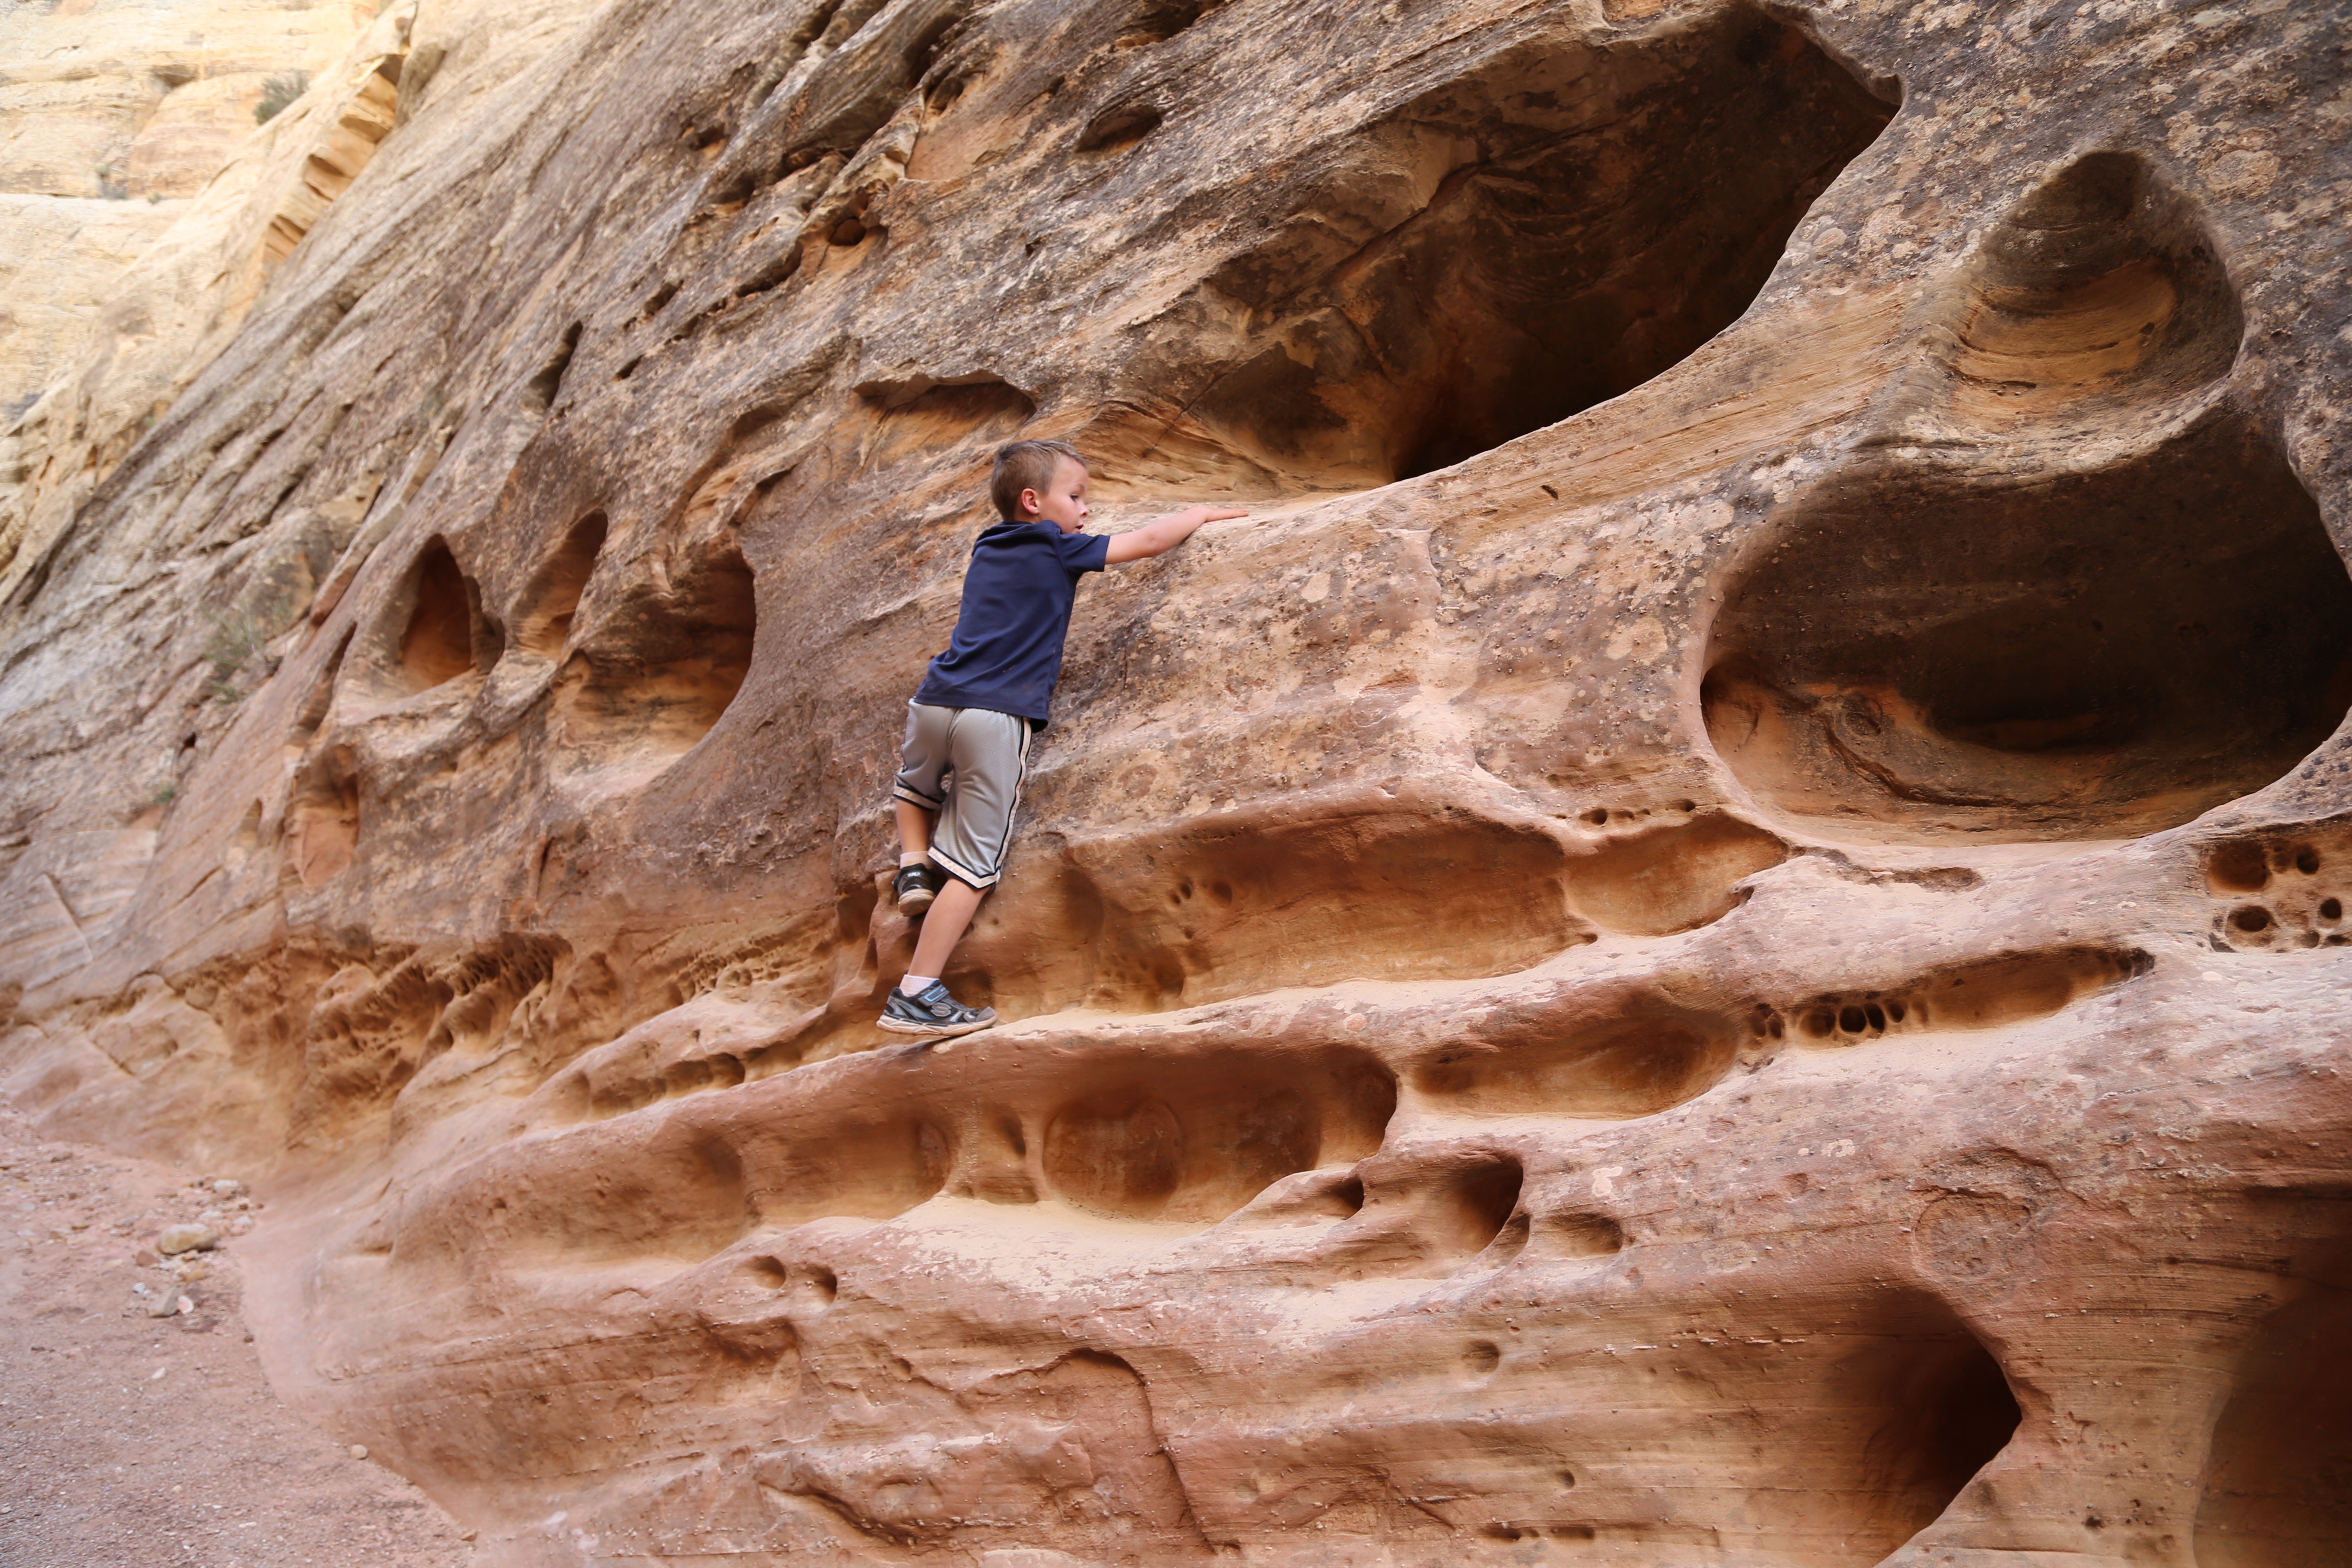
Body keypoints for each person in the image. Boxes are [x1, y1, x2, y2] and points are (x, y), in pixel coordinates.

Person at [880, 438, 1247, 1038]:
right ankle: (917, 991)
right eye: (1076, 497)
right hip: (992, 717)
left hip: (933, 701)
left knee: (915, 787)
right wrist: (1200, 515)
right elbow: (1148, 544)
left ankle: (913, 864)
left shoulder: (988, 544)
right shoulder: (1057, 544)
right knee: (975, 867)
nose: (1086, 511)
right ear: (1033, 502)